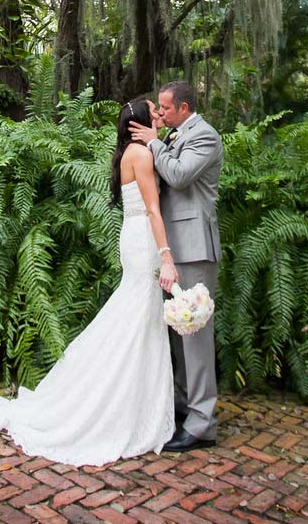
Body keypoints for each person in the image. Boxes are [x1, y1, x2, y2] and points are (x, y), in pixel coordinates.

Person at [0, 98, 176, 466]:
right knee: (136, 316)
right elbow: (153, 208)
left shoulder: (129, 152)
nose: (159, 116)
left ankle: (130, 400)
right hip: (145, 239)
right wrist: (166, 254)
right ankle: (112, 404)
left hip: (132, 235)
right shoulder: (142, 153)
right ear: (138, 122)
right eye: (153, 112)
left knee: (135, 315)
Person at [130, 80, 223, 452]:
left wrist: (152, 141)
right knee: (178, 332)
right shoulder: (173, 135)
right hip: (172, 248)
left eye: (166, 109)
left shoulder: (205, 136)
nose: (161, 115)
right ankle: (184, 408)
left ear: (184, 108)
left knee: (197, 337)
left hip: (195, 248)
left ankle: (203, 426)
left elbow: (180, 175)